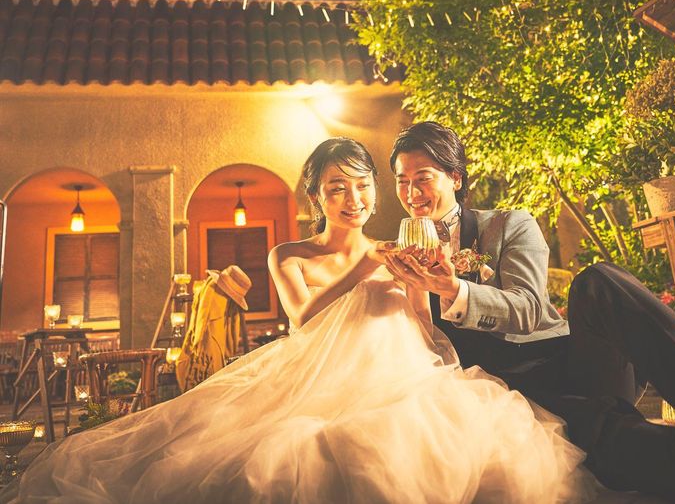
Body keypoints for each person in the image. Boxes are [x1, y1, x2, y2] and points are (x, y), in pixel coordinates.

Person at [7, 137, 594, 504]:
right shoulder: (289, 254)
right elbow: (306, 317)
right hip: (322, 380)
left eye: (363, 187)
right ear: (317, 197)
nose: (354, 199)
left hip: (407, 376)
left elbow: (423, 321)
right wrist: (369, 267)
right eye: (338, 189)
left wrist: (436, 331)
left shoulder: (397, 247)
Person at [384, 120, 675, 502]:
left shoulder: (508, 225)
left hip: (574, 363)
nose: (411, 192)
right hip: (508, 398)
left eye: (423, 178)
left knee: (597, 281)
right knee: (607, 438)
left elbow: (529, 309)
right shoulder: (397, 259)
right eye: (402, 181)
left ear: (455, 177)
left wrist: (454, 289)